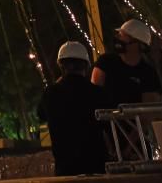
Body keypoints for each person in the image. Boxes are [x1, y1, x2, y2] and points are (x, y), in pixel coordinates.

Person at [38, 41, 110, 176]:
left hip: (66, 169)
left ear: (61, 66)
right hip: (96, 166)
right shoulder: (96, 93)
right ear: (86, 65)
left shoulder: (52, 93)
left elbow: (41, 115)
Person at [91, 19, 162, 106]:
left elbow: (147, 111)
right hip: (106, 119)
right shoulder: (105, 62)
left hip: (133, 119)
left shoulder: (148, 74)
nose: (118, 39)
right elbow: (94, 97)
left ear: (138, 44)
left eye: (122, 36)